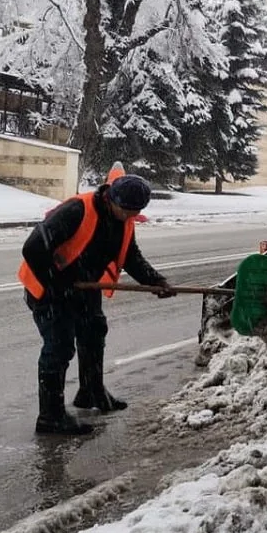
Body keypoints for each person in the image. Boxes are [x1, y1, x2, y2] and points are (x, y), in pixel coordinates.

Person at [17, 175, 176, 435]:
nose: (128, 217)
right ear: (111, 198)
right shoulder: (78, 210)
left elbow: (130, 256)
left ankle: (92, 392)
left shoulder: (124, 221)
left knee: (93, 333)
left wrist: (155, 281)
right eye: (125, 211)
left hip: (84, 287)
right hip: (48, 288)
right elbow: (33, 247)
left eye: (134, 213)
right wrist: (57, 283)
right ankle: (50, 416)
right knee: (59, 346)